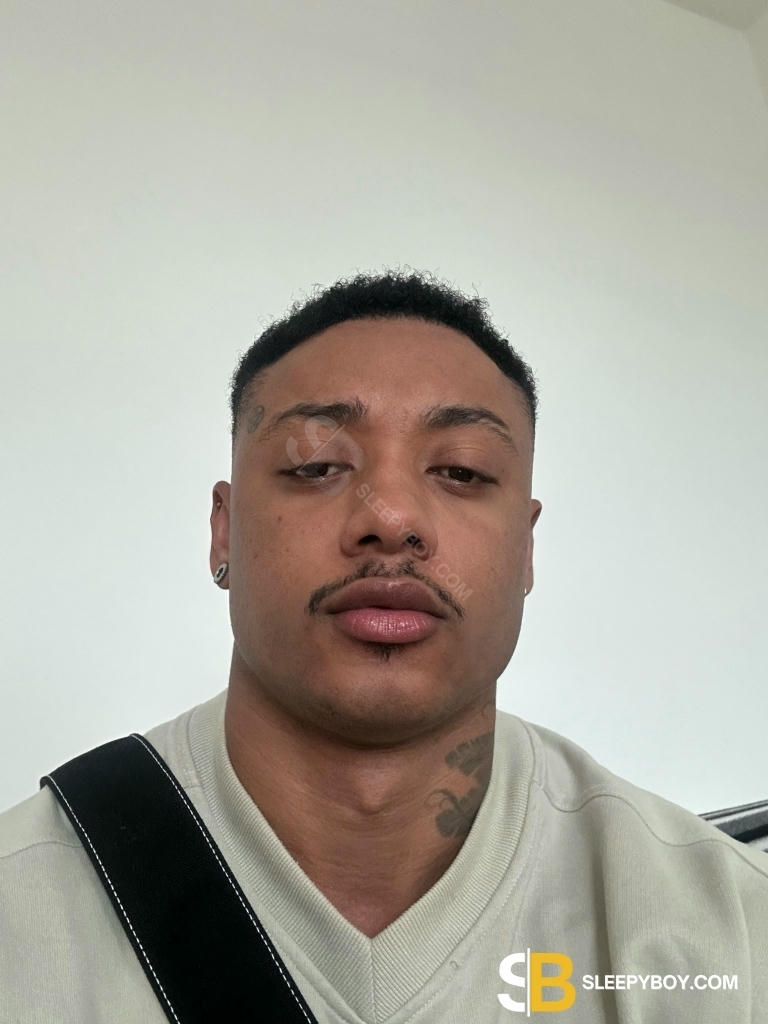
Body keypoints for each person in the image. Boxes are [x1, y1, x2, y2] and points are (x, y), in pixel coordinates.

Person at [1, 270, 766, 1023]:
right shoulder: (22, 915)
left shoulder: (724, 932)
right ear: (222, 530)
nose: (392, 517)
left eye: (462, 470)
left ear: (526, 550)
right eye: (316, 466)